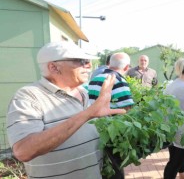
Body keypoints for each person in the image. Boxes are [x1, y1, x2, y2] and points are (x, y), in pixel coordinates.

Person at [6, 41, 126, 179]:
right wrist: (89, 113)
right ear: (54, 67)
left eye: (88, 61)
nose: (88, 65)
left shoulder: (83, 93)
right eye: (81, 61)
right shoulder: (28, 97)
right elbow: (23, 151)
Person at [88, 52, 134, 179]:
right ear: (126, 67)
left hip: (93, 128)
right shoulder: (118, 80)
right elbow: (126, 110)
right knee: (115, 170)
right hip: (110, 131)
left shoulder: (96, 77)